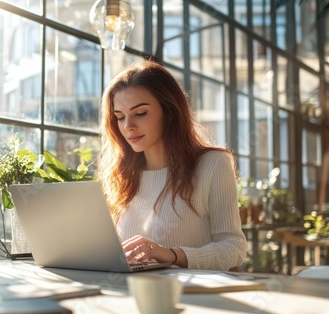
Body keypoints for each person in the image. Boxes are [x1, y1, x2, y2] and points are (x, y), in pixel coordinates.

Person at [97, 60, 246, 271]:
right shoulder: (121, 175)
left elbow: (234, 248)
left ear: (169, 111)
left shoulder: (212, 164)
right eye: (120, 117)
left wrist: (173, 255)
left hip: (189, 295)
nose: (128, 126)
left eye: (140, 113)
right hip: (130, 293)